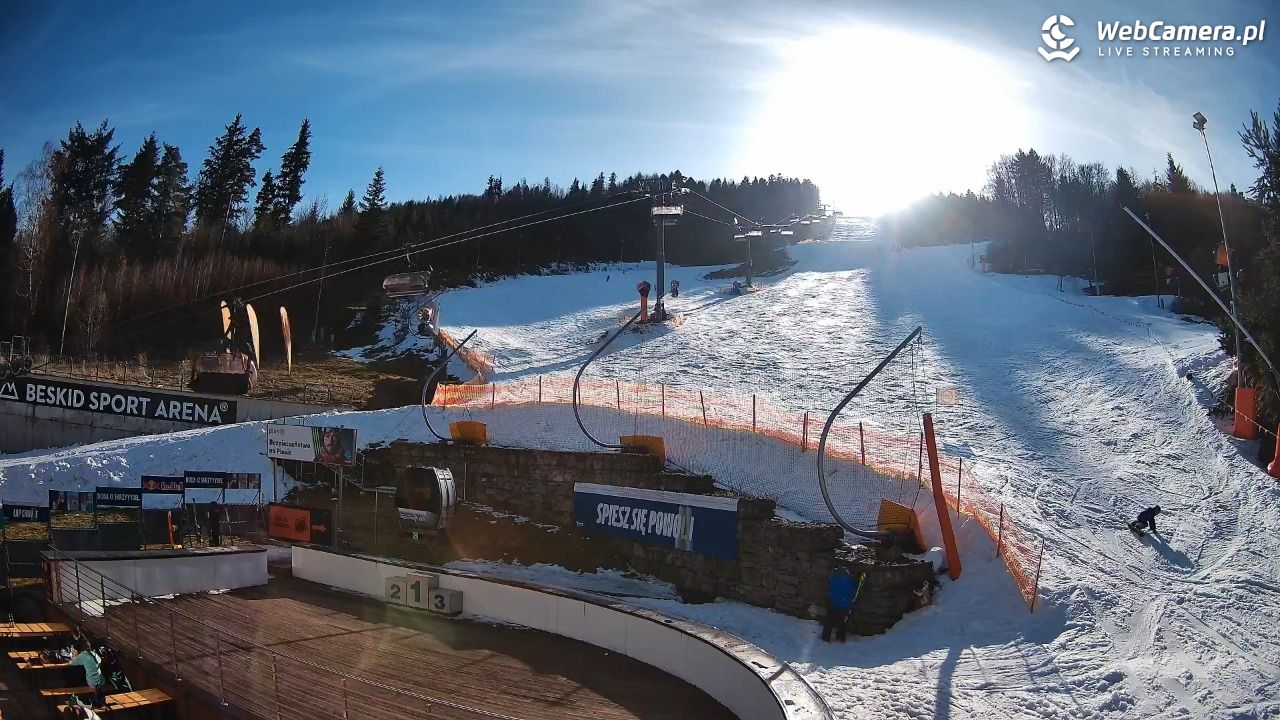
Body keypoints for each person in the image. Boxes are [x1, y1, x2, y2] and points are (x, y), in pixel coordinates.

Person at [821, 565, 860, 643]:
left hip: (834, 603)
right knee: (842, 622)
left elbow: (831, 590)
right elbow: (852, 594)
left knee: (829, 620)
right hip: (845, 605)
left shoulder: (836, 577)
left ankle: (825, 637)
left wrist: (829, 598)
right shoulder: (851, 581)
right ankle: (841, 637)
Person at [67, 639, 106, 708]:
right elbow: (99, 661)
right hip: (101, 681)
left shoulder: (83, 655)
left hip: (92, 683)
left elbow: (71, 663)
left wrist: (74, 656)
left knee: (79, 674)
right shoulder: (94, 654)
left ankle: (77, 696)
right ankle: (98, 697)